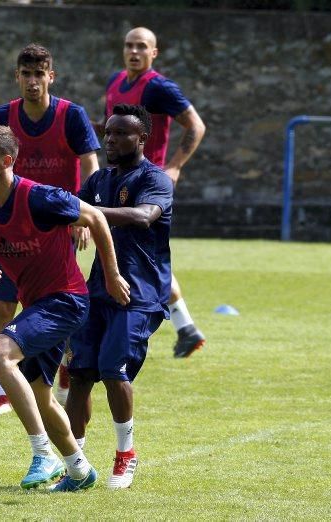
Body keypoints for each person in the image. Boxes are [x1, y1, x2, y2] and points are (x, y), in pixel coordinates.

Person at [0, 124, 130, 491]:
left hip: (66, 300)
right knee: (40, 392)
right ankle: (79, 469)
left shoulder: (40, 198)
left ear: (6, 161)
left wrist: (112, 275)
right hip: (37, 306)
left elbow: (96, 218)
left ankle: (43, 454)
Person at [0, 43, 101, 415]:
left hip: (55, 226)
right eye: (26, 74)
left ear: (51, 76)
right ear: (16, 76)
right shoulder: (3, 116)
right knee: (3, 305)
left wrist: (81, 215)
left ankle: (62, 375)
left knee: (56, 305)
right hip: (11, 226)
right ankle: (2, 393)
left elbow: (91, 166)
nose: (33, 82)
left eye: (39, 74)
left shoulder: (71, 116)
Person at [67, 104, 173, 489]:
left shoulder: (156, 179)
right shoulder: (98, 180)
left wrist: (90, 214)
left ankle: (126, 454)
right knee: (79, 373)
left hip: (140, 294)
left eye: (120, 134)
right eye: (108, 133)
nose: (109, 140)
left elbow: (145, 216)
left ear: (142, 138)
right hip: (98, 290)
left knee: (114, 368)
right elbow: (71, 212)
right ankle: (74, 462)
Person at [94, 27, 206, 358]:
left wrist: (174, 166)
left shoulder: (159, 87)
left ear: (153, 53)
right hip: (119, 180)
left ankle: (174, 325)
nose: (134, 51)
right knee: (140, 255)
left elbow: (195, 126)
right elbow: (112, 125)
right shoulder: (116, 81)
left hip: (148, 184)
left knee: (143, 256)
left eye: (142, 47)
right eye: (129, 45)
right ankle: (184, 327)